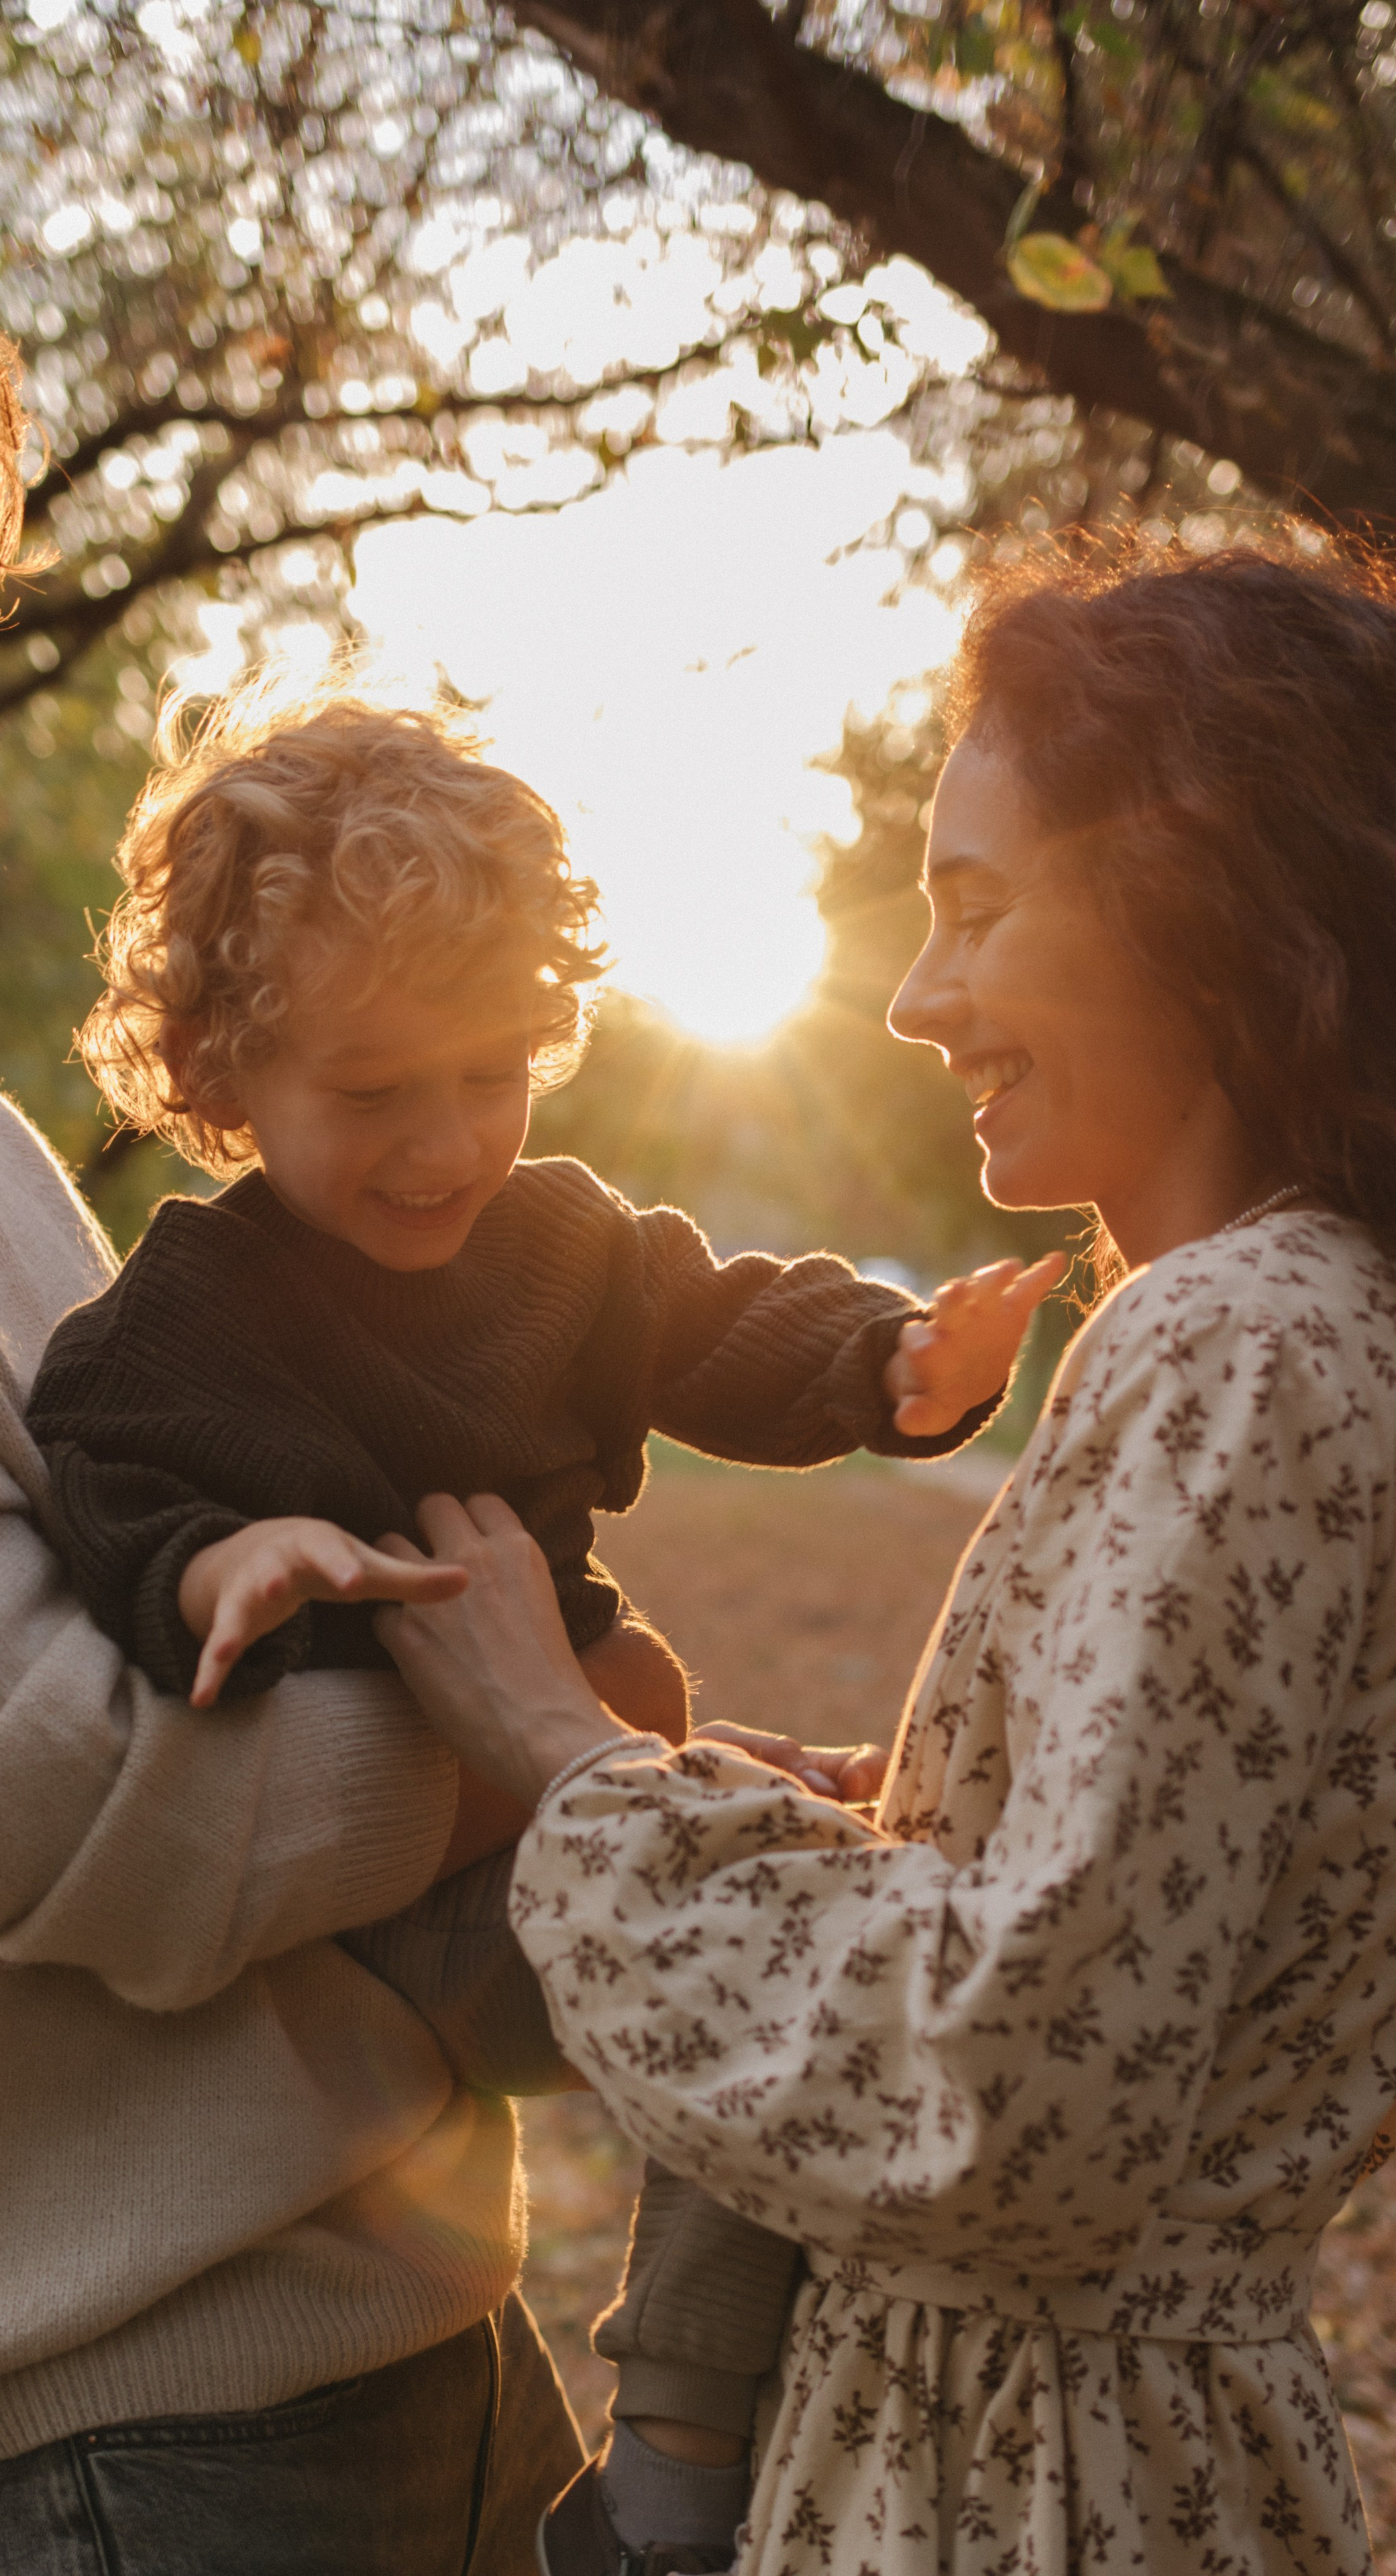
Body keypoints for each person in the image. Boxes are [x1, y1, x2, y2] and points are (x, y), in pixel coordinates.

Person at [0, 169, 580, 2575]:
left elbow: (248, 1617)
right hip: (109, 2462)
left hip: (417, 2349)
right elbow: (148, 1838)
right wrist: (568, 1725)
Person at [369, 541, 1396, 2576]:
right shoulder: (1315, 1321)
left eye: (978, 908)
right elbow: (1159, 1937)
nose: (922, 999)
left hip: (1023, 2490)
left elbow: (1012, 2094)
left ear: (1202, 891)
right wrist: (895, 1825)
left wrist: (575, 1767)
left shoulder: (1238, 1342)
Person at [22, 684, 1060, 2565]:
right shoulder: (190, 1318)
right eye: (372, 1092)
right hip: (411, 1903)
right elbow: (107, 1483)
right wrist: (218, 1571)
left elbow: (714, 1320)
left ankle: (725, 2419)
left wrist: (891, 1360)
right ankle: (669, 2494)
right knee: (752, 1974)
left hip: (568, 1781)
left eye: (491, 1073)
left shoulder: (560, 1240)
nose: (445, 1144)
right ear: (218, 1070)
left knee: (811, 1956)